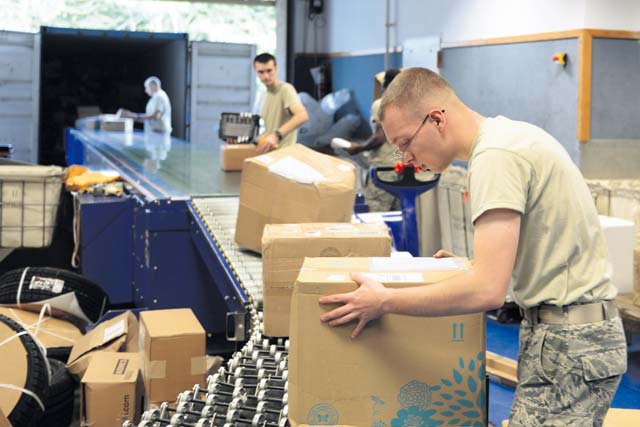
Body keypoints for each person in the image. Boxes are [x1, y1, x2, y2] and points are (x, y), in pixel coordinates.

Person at [319, 67, 627, 426]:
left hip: (570, 344)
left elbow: (488, 291)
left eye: (405, 143)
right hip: (566, 336)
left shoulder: (495, 157)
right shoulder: (508, 138)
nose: (404, 159)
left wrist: (384, 300)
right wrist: (471, 266)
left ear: (436, 119)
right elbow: (540, 247)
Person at [331, 68, 402, 212]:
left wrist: (359, 148)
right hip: (405, 171)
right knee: (399, 215)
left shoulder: (382, 104)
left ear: (384, 85)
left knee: (378, 216)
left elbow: (380, 136)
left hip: (384, 170)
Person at [253, 53, 308, 154]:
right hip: (271, 154)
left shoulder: (286, 89)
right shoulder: (264, 95)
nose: (266, 76)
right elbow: (269, 129)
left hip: (285, 155)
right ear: (256, 73)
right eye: (261, 72)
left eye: (269, 71)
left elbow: (302, 115)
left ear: (276, 69)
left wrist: (276, 135)